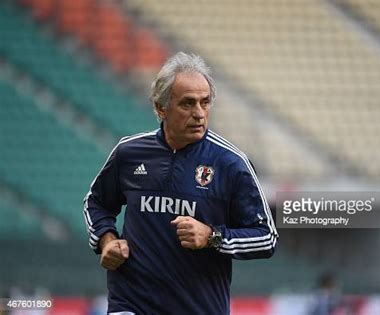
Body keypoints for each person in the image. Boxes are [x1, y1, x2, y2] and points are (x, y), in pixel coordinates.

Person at [83, 52, 278, 314]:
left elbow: (266, 237)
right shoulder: (129, 153)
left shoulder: (231, 163)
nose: (199, 113)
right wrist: (107, 241)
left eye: (205, 102)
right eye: (187, 104)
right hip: (131, 304)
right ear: (161, 108)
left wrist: (212, 236)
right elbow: (96, 203)